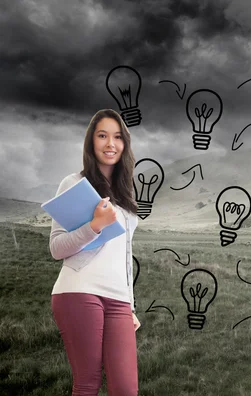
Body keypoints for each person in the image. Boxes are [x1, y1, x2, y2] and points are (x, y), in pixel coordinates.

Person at [49, 108, 140, 396]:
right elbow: (56, 248)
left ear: (124, 144)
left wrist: (131, 304)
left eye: (117, 137)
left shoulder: (126, 195)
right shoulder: (74, 183)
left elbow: (125, 258)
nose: (110, 144)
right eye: (102, 136)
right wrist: (95, 226)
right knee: (88, 384)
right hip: (79, 290)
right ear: (91, 142)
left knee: (125, 389)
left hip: (118, 299)